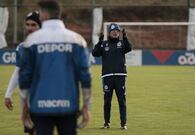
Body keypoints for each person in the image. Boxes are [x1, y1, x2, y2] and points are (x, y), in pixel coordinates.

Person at [19, 1, 91, 135]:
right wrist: (86, 106)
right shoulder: (77, 39)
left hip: (40, 106)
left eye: (40, 13)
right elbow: (85, 76)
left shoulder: (31, 41)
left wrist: (24, 105)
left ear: (44, 15)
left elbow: (24, 77)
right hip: (68, 106)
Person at [4, 10, 41, 135]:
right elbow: (18, 71)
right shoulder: (21, 48)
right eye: (28, 24)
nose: (30, 28)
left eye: (34, 25)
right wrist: (8, 94)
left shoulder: (50, 46)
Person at [92, 23, 132, 130]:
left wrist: (125, 37)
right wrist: (99, 41)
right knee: (107, 101)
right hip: (107, 77)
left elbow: (129, 48)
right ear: (109, 33)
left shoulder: (122, 43)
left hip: (120, 76)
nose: (115, 32)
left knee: (122, 101)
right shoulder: (104, 44)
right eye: (113, 31)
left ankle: (123, 124)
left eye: (117, 31)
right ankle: (107, 123)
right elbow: (94, 53)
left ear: (119, 33)